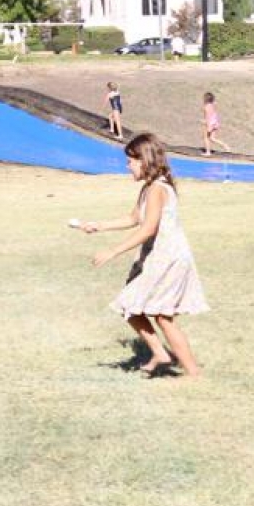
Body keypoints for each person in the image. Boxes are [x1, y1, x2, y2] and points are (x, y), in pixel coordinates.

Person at [79, 133, 208, 377]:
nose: (128, 167)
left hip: (169, 258)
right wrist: (98, 225)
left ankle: (193, 373)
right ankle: (160, 354)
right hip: (156, 257)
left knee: (163, 316)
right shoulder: (148, 188)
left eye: (130, 161)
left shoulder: (158, 188)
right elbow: (133, 218)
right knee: (130, 305)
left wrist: (113, 251)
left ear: (144, 160)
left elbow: (149, 228)